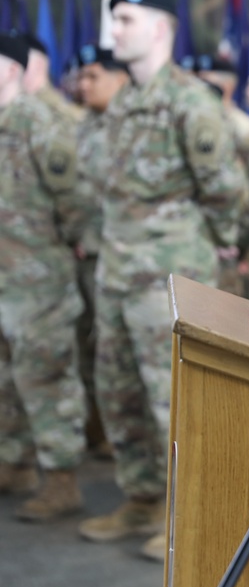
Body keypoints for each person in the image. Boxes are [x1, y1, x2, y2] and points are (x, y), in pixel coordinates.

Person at [77, 0, 246, 562]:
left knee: (168, 399)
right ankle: (143, 498)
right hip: (118, 272)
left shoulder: (191, 102)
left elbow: (225, 191)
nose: (113, 31)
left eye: (124, 19)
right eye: (113, 19)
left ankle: (187, 514)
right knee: (119, 391)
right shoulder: (122, 101)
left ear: (158, 28)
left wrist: (219, 253)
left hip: (170, 276)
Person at [0, 33, 88, 522]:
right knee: (6, 379)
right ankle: (11, 461)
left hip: (39, 281)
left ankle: (61, 479)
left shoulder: (38, 122)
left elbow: (73, 198)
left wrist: (68, 241)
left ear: (12, 69)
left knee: (47, 376)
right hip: (4, 279)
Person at [73, 44, 131, 457]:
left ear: (120, 79)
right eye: (82, 76)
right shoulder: (84, 125)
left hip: (129, 259)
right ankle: (101, 430)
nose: (83, 84)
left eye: (94, 76)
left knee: (123, 355)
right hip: (88, 252)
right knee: (92, 346)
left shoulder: (132, 124)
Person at [197, 54, 249, 299]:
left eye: (207, 80)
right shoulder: (193, 121)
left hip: (234, 238)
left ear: (227, 86)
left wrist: (246, 249)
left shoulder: (245, 130)